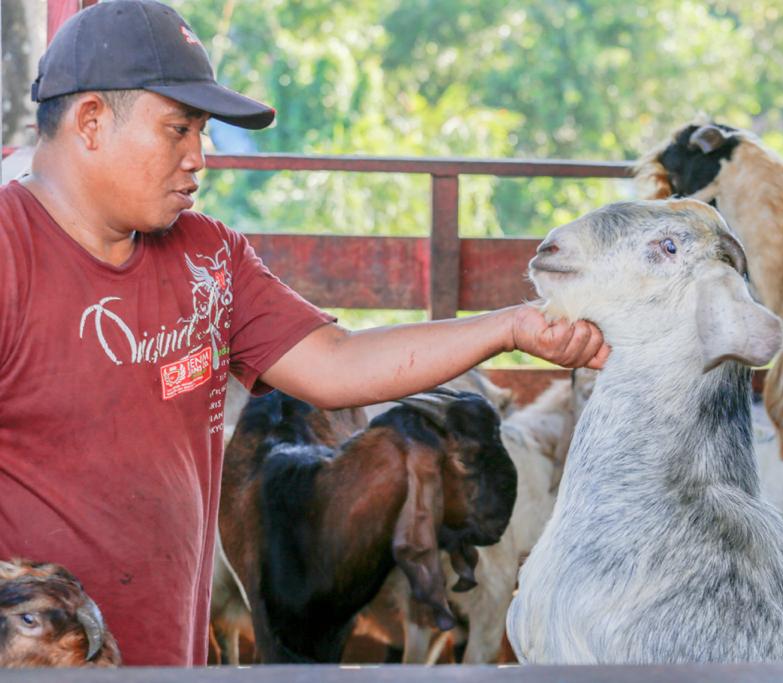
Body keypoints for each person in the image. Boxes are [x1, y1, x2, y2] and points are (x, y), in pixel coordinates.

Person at [0, 0, 609, 667]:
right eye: (177, 129)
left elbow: (335, 362)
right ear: (91, 121)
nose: (198, 158)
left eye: (201, 132)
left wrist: (512, 326)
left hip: (169, 658)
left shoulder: (209, 255)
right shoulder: (10, 253)